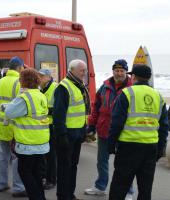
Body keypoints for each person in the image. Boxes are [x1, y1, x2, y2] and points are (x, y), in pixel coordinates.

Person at [108, 64, 169, 200]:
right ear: (148, 78)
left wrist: (110, 145)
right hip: (150, 148)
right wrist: (161, 149)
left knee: (119, 186)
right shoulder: (158, 96)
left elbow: (116, 123)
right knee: (145, 189)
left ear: (133, 77)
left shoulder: (127, 93)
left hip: (128, 147)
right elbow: (164, 126)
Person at [84, 59, 134, 199]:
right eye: (116, 70)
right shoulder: (105, 86)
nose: (119, 73)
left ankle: (128, 191)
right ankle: (100, 187)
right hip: (104, 130)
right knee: (102, 161)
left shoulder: (132, 87)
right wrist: (92, 125)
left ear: (126, 72)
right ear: (113, 71)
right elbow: (96, 108)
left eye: (122, 71)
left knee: (125, 164)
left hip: (124, 132)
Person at [5, 68, 50, 200]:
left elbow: (10, 112)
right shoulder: (40, 95)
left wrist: (19, 95)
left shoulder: (24, 97)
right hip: (41, 141)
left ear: (23, 81)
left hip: (27, 143)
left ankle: (36, 197)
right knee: (37, 174)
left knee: (25, 172)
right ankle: (40, 197)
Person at [53, 59, 90, 200]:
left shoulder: (79, 85)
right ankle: (63, 196)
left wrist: (83, 131)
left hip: (77, 134)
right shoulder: (64, 87)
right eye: (82, 70)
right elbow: (58, 114)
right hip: (67, 135)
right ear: (72, 70)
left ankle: (70, 194)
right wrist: (61, 135)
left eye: (85, 70)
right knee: (64, 168)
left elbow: (81, 112)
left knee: (73, 166)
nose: (84, 73)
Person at [0, 56, 26, 197]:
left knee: (3, 155)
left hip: (2, 124)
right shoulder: (19, 83)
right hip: (15, 126)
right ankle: (18, 187)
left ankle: (1, 183)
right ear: (19, 68)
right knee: (16, 157)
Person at [38, 69, 58, 190]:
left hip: (52, 126)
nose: (39, 78)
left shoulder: (55, 88)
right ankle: (44, 177)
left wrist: (44, 111)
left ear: (49, 77)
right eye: (39, 76)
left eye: (42, 76)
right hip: (43, 126)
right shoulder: (40, 89)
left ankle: (51, 180)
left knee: (51, 154)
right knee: (44, 153)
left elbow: (59, 108)